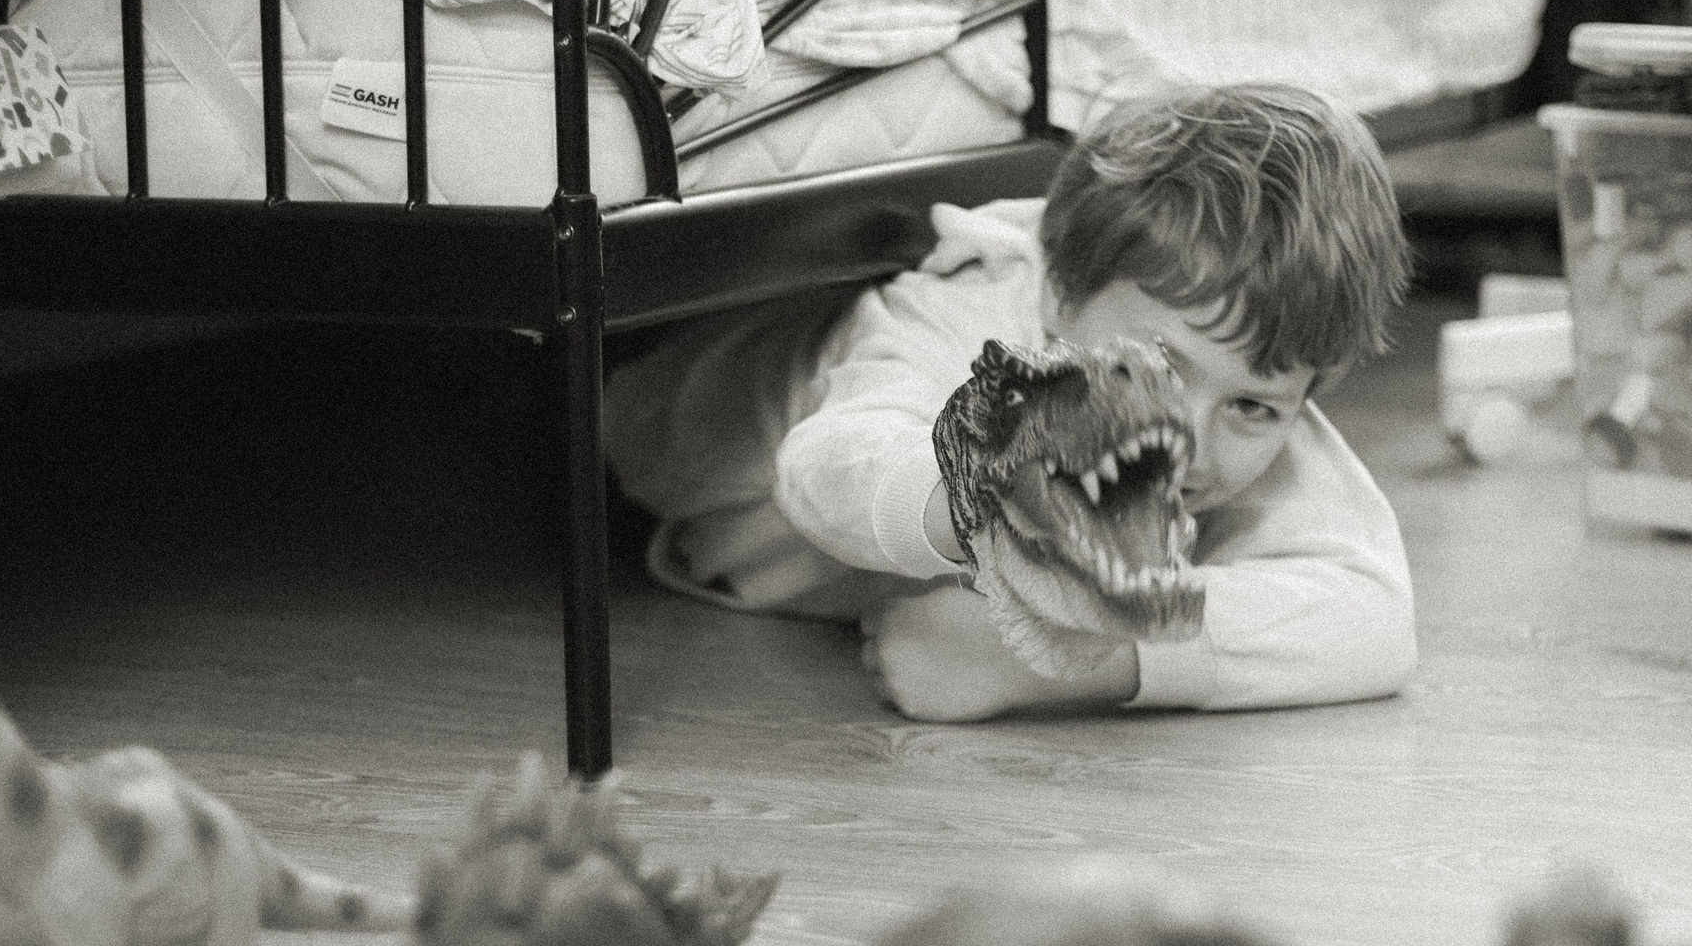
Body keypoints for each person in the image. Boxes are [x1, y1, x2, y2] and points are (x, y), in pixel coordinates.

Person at [603, 82, 1417, 722]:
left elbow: (1375, 622)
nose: (1189, 443)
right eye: (1155, 370)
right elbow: (823, 468)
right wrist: (983, 497)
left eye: (1254, 408)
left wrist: (1066, 659)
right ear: (1059, 296)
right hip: (635, 409)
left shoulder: (1237, 359)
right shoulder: (973, 314)